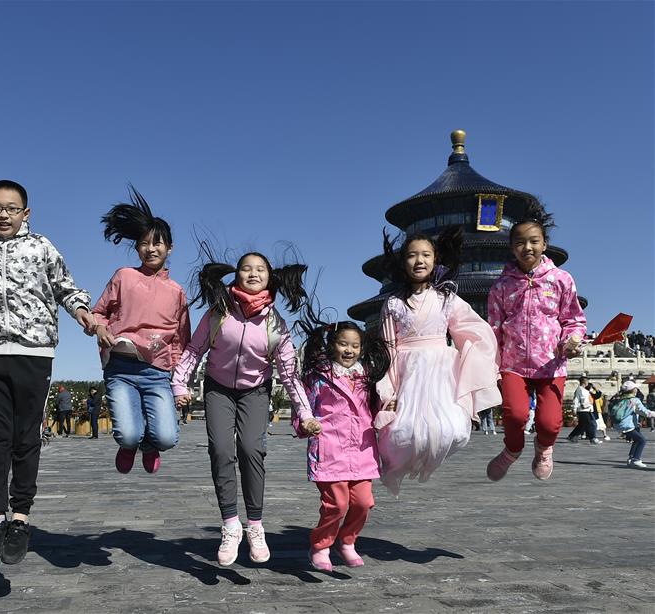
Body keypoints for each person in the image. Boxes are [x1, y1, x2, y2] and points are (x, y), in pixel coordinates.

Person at [0, 179, 95, 565]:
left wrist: (82, 312)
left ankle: (20, 518)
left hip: (36, 351)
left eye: (12, 209)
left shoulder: (41, 247)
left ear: (25, 214)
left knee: (26, 435)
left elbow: (66, 287)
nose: (4, 215)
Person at [173, 251, 310, 566]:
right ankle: (231, 524)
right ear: (236, 276)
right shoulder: (218, 312)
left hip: (255, 391)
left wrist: (304, 410)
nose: (252, 273)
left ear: (269, 278)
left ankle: (256, 526)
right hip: (218, 389)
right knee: (221, 449)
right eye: (245, 268)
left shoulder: (276, 324)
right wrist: (179, 385)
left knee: (251, 449)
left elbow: (289, 373)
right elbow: (194, 350)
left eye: (260, 269)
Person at [373, 226, 500, 495]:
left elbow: (473, 330)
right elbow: (388, 349)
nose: (419, 261)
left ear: (435, 259)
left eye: (426, 255)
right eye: (412, 255)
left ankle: (427, 461)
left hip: (441, 373)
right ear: (403, 261)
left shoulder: (447, 299)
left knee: (453, 430)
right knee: (402, 434)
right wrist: (390, 390)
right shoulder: (393, 304)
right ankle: (398, 466)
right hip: (407, 372)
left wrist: (480, 361)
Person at [91, 188, 190, 473]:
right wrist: (100, 328)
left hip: (157, 373)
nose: (151, 249)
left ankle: (149, 445)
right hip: (120, 368)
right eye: (144, 243)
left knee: (167, 438)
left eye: (158, 243)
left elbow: (181, 340)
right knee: (129, 434)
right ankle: (131, 444)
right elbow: (99, 312)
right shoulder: (124, 276)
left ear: (170, 247)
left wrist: (177, 378)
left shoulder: (177, 292)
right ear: (136, 248)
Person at [487, 202, 586, 481]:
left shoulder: (561, 280)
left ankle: (544, 449)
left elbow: (573, 319)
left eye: (534, 241)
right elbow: (493, 327)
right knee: (516, 415)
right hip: (513, 363)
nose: (527, 247)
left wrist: (572, 340)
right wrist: (491, 363)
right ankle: (512, 450)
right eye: (520, 242)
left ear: (544, 244)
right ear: (511, 247)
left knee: (550, 422)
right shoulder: (501, 286)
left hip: (550, 363)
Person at [293, 310, 391, 572]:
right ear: (332, 344)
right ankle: (321, 545)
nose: (349, 350)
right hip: (330, 449)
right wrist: (306, 424)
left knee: (363, 502)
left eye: (355, 345)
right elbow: (302, 405)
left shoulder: (368, 376)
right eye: (343, 343)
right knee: (336, 503)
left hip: (362, 449)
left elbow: (376, 406)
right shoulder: (318, 376)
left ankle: (347, 540)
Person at [610, 381, 655, 468]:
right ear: (633, 390)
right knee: (642, 440)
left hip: (619, 423)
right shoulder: (634, 400)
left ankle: (631, 458)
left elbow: (635, 411)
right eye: (636, 388)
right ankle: (636, 459)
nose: (637, 389)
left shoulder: (622, 398)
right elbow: (645, 413)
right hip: (626, 425)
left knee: (637, 439)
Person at [567, 378, 600, 444]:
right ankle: (592, 438)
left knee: (582, 425)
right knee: (590, 424)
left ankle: (572, 436)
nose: (588, 383)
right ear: (584, 382)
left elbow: (595, 396)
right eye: (587, 381)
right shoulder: (579, 390)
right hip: (582, 410)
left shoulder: (586, 390)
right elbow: (576, 399)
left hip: (588, 409)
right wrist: (574, 409)